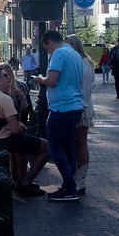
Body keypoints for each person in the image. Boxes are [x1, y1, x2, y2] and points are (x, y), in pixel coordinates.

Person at [0, 67, 48, 196]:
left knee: (24, 142)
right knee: (48, 147)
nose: (9, 78)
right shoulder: (4, 99)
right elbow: (15, 129)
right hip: (3, 140)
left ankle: (20, 180)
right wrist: (21, 126)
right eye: (5, 76)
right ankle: (25, 182)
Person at [34, 30, 84, 202]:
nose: (47, 51)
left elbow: (53, 80)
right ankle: (70, 186)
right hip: (75, 105)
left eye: (45, 47)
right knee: (68, 147)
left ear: (49, 42)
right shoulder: (74, 54)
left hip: (61, 108)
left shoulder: (58, 53)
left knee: (55, 148)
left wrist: (41, 79)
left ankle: (69, 187)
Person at [65, 34, 96, 195]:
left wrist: (80, 107)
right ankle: (78, 178)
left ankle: (78, 179)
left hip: (79, 108)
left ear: (75, 47)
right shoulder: (87, 62)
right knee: (79, 143)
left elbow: (83, 88)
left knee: (78, 143)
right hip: (83, 107)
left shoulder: (80, 63)